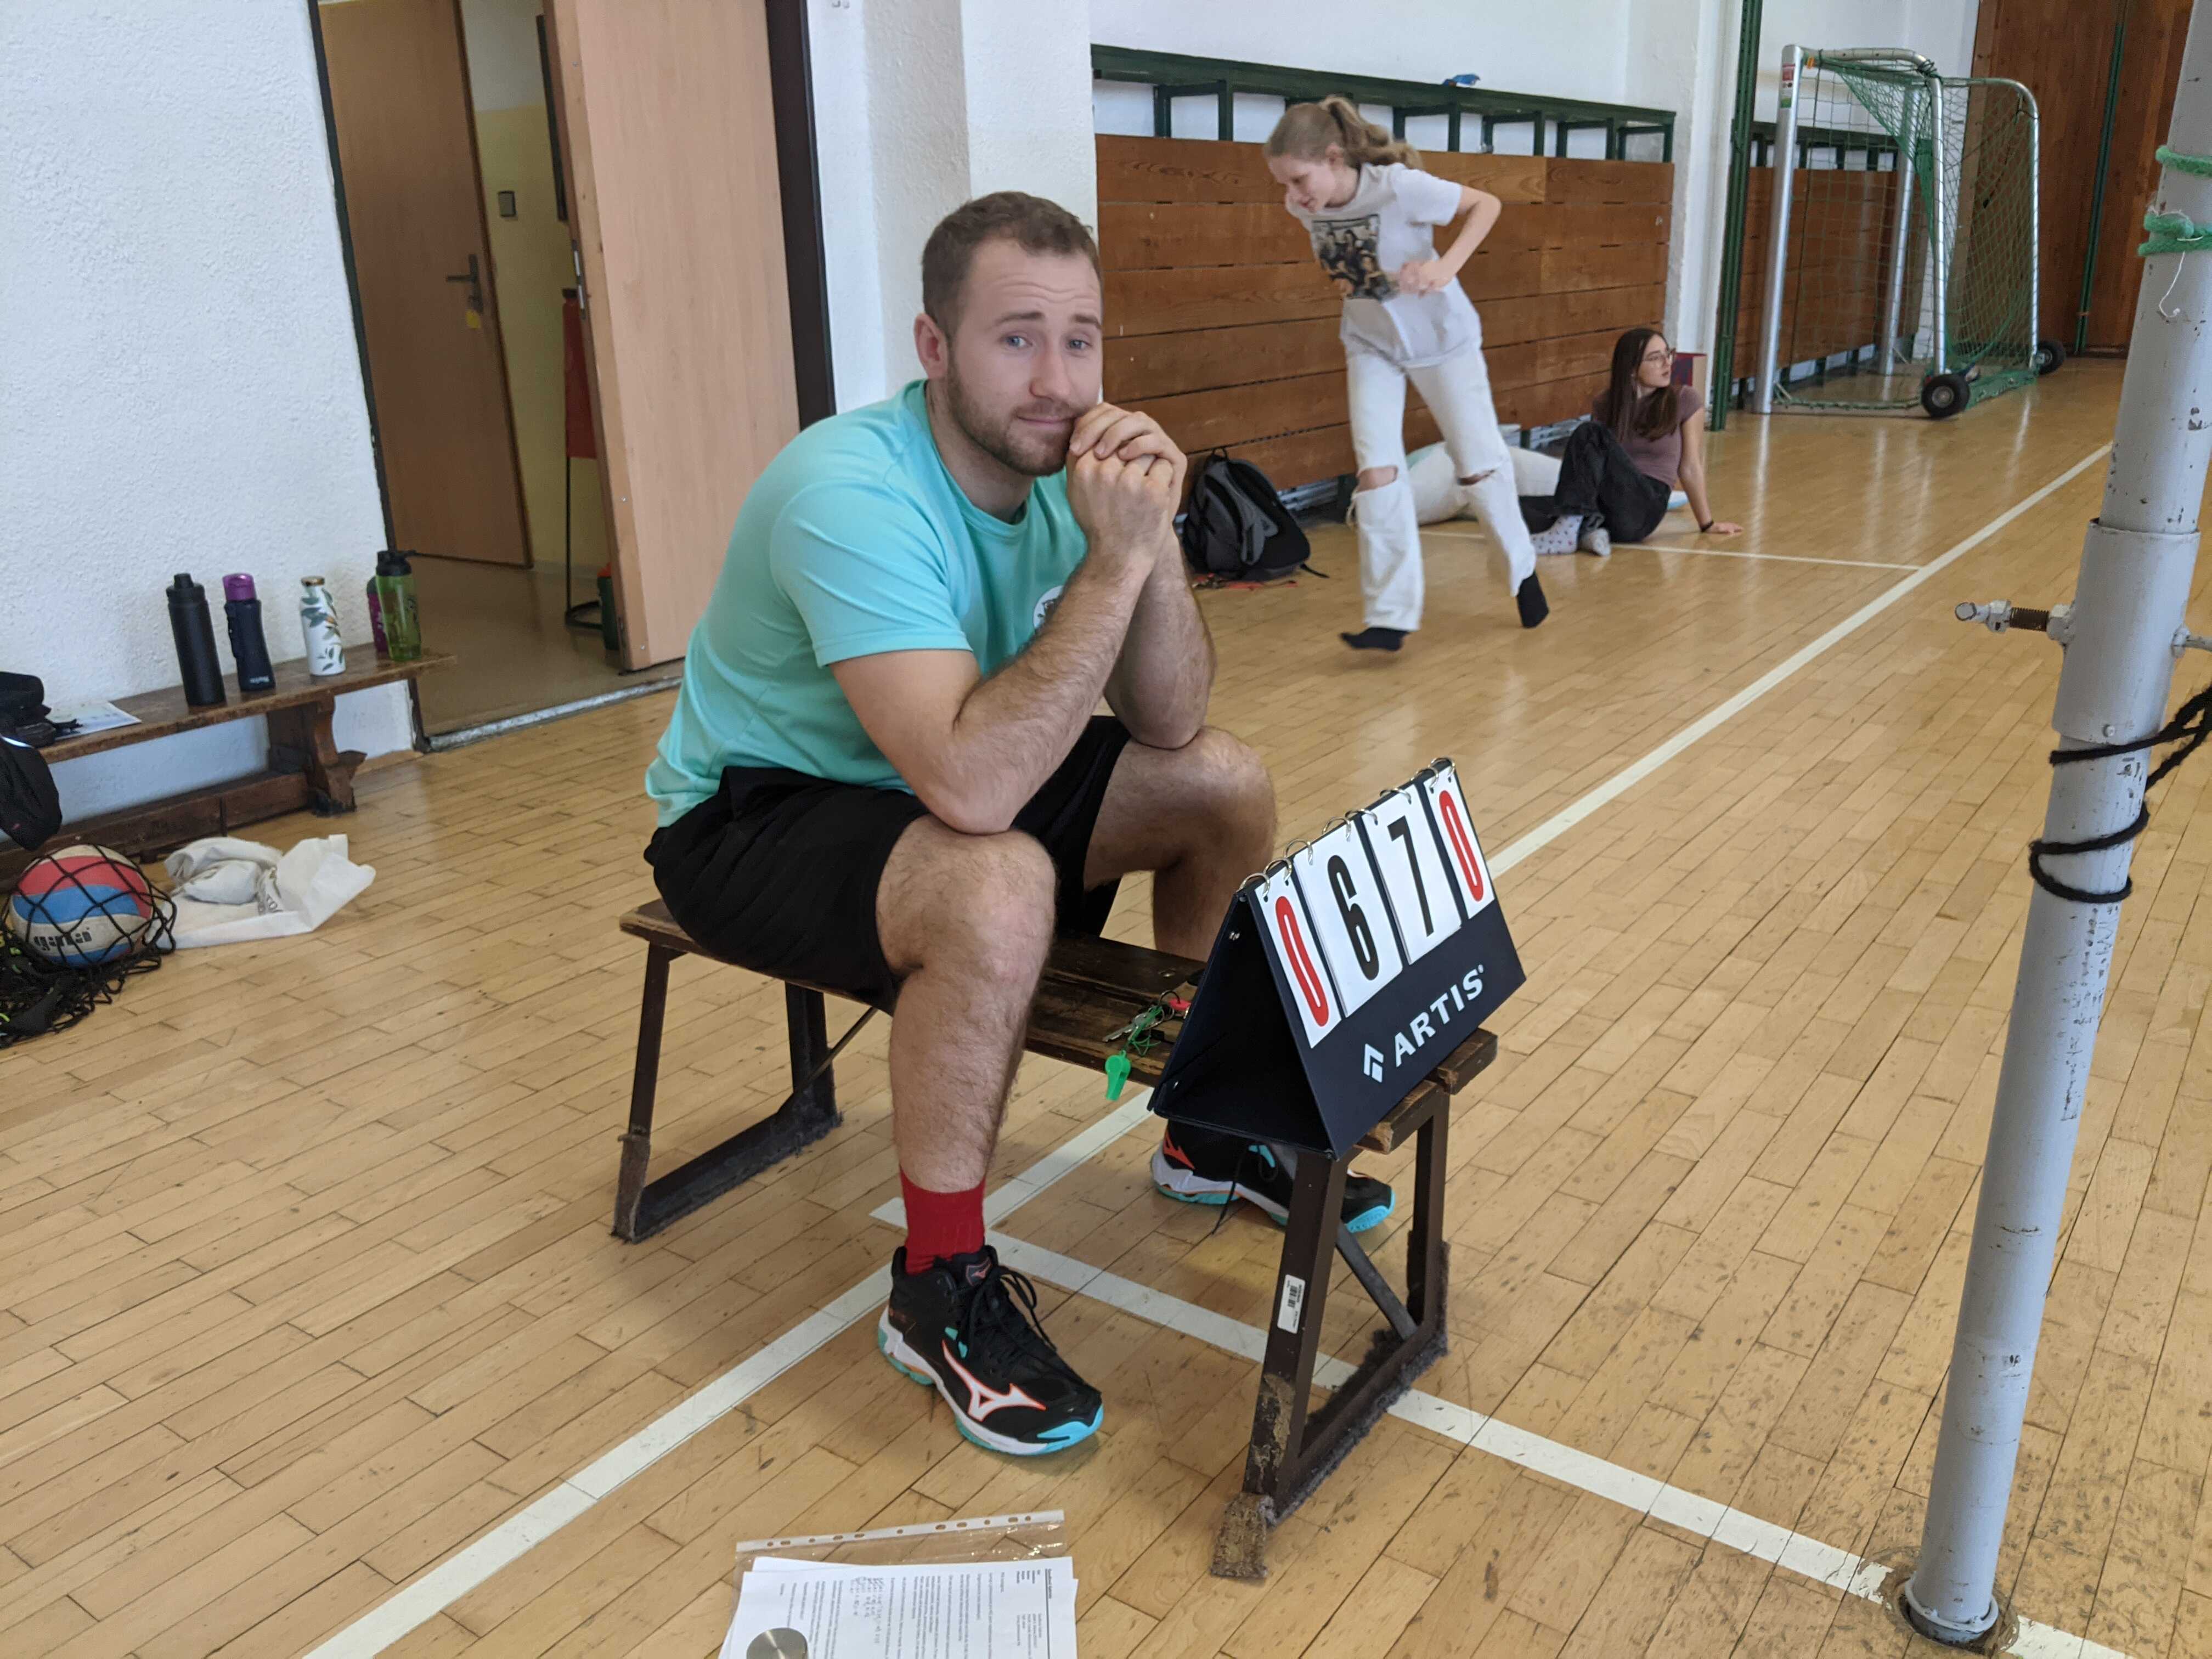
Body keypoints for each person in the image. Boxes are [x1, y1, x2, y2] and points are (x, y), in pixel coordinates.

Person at [642, 194, 1395, 1458]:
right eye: (1016, 339)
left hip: (949, 768)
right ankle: (936, 1285)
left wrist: (1146, 544)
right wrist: (1110, 566)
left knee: (1222, 781)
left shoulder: (1071, 476)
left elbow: (1170, 719)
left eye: (1081, 340)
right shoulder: (849, 491)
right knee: (993, 882)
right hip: (753, 813)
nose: (1058, 381)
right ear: (935, 348)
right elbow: (977, 795)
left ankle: (1209, 1135)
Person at [1264, 97, 1548, 652]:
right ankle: (1390, 617)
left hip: (1443, 341)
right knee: (1376, 473)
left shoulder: (1398, 187)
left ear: (1333, 157)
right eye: (1284, 184)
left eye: (1299, 179)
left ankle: (1522, 574)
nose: (1294, 195)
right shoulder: (1303, 206)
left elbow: (1486, 205)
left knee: (1477, 465)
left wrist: (1445, 266)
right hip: (1371, 344)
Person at [1521, 328, 1743, 556]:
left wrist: (1707, 524)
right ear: (1631, 370)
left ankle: (1568, 534)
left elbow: (1690, 467)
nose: (1667, 363)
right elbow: (1591, 468)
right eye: (1655, 358)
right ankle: (1588, 532)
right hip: (1606, 503)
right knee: (1517, 506)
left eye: (1668, 354)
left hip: (1644, 507)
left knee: (1589, 433)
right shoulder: (1605, 404)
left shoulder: (1685, 399)